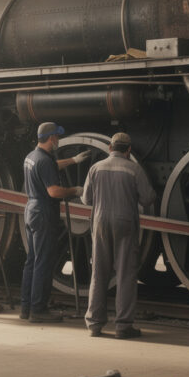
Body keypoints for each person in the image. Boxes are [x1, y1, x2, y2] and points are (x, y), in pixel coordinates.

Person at [81, 132, 155, 339]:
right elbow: (148, 198)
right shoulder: (133, 168)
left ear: (110, 148)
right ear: (128, 150)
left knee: (99, 272)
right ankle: (123, 326)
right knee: (125, 274)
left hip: (100, 222)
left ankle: (94, 324)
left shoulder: (96, 168)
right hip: (125, 223)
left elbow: (86, 199)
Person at [21, 122, 90, 323]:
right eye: (57, 137)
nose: (58, 141)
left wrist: (73, 160)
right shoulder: (44, 161)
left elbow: (50, 167)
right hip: (44, 211)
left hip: (31, 209)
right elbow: (54, 191)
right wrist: (74, 191)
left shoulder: (32, 157)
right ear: (51, 138)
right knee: (44, 261)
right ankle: (38, 309)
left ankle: (26, 307)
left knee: (32, 260)